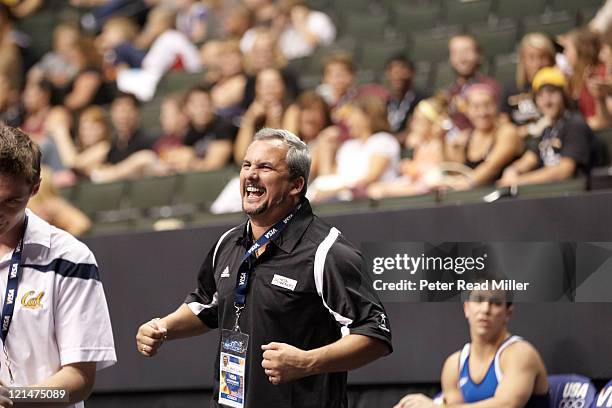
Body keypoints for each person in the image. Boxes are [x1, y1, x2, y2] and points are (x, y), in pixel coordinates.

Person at [136, 128, 392, 408]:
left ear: (296, 185)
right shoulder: (228, 243)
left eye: (265, 167)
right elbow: (206, 305)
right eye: (247, 165)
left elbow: (374, 335)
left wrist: (307, 362)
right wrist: (164, 327)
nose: (251, 175)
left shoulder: (327, 252)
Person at [0, 125, 116, 407]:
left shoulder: (71, 258)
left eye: (11, 201)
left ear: (35, 188)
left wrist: (16, 399)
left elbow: (79, 380)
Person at [394, 282, 549, 408]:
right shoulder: (454, 364)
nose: (485, 309)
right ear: (466, 307)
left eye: (495, 303)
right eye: (479, 300)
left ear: (507, 313)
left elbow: (506, 405)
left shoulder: (520, 353)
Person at [498, 67, 593, 187]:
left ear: (564, 95)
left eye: (551, 93)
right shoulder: (547, 128)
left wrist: (519, 181)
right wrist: (512, 170)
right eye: (540, 96)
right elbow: (530, 159)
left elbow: (564, 170)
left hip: (576, 195)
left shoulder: (574, 124)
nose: (546, 101)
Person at [444, 84, 520, 190]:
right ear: (467, 110)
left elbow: (492, 167)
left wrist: (464, 184)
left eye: (487, 105)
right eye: (476, 107)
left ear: (496, 106)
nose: (482, 113)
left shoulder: (507, 132)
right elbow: (456, 172)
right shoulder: (465, 139)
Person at [500, 33, 556, 136]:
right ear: (523, 61)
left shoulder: (558, 87)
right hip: (519, 142)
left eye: (543, 57)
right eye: (531, 58)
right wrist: (528, 130)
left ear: (551, 59)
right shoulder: (511, 88)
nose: (537, 63)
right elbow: (503, 126)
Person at [446, 34, 501, 132]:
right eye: (455, 53)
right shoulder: (450, 92)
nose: (462, 58)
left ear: (478, 55)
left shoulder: (491, 87)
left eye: (466, 51)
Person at [385, 55, 427, 134]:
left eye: (402, 71)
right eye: (394, 72)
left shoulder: (421, 101)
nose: (398, 76)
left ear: (412, 73)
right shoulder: (387, 103)